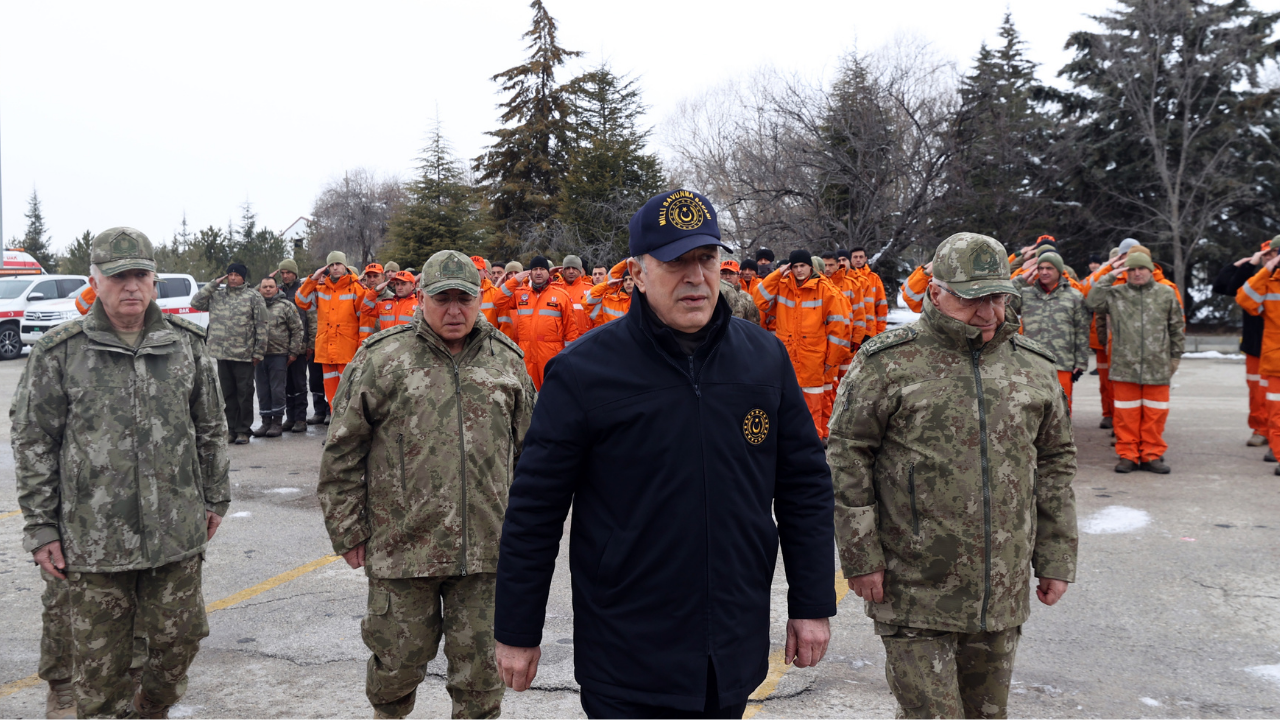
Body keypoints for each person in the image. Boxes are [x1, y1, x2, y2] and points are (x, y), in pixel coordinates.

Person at [494, 188, 835, 719]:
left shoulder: (763, 359)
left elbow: (805, 487)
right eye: (675, 262)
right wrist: (517, 630)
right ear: (637, 272)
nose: (695, 276)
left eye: (706, 258)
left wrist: (811, 603)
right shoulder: (585, 373)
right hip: (628, 654)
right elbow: (534, 511)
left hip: (731, 649)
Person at [829, 232, 1077, 720]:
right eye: (971, 298)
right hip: (913, 587)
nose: (987, 313)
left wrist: (1056, 555)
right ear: (935, 290)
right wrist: (861, 557)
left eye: (997, 297)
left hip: (999, 591)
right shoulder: (888, 363)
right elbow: (847, 457)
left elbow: (1055, 462)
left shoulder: (1033, 367)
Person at [12, 227, 230, 718]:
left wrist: (215, 499)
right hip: (94, 541)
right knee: (100, 668)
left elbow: (211, 428)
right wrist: (42, 526)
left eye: (140, 275)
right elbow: (34, 442)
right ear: (95, 281)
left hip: (175, 532)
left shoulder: (186, 346)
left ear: (153, 281)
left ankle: (152, 705)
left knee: (179, 644)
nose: (130, 286)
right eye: (118, 277)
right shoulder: (60, 352)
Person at [319, 250, 535, 719]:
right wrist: (347, 529)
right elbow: (342, 450)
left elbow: (531, 455)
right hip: (402, 549)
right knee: (396, 669)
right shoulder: (381, 358)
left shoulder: (507, 360)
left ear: (481, 298)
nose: (454, 311)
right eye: (443, 299)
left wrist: (527, 536)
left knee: (480, 680)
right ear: (421, 298)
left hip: (485, 552)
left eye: (465, 299)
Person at [1087, 252, 1185, 473]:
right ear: (1125, 272)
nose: (1137, 273)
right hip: (1124, 366)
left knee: (1155, 414)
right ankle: (1128, 455)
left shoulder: (1166, 294)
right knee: (1125, 415)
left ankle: (1152, 455)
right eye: (1131, 269)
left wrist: (1175, 358)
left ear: (1151, 270)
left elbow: (1177, 328)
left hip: (1157, 366)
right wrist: (1110, 275)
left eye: (1141, 268)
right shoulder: (1116, 294)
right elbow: (1092, 301)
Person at [753, 250, 853, 442]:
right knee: (787, 405)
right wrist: (777, 273)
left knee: (811, 409)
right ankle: (791, 447)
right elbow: (759, 298)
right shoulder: (783, 286)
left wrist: (830, 361)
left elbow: (838, 329)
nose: (799, 270)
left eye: (802, 266)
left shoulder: (825, 290)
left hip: (812, 359)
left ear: (810, 267)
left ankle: (811, 449)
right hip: (787, 357)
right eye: (795, 266)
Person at [191, 262, 268, 444]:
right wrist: (213, 284)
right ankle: (231, 429)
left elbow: (262, 326)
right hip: (222, 353)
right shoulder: (217, 295)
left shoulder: (253, 297)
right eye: (230, 274)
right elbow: (195, 302)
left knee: (245, 394)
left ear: (243, 277)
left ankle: (243, 430)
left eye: (237, 275)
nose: (233, 278)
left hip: (244, 353)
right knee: (226, 395)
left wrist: (259, 351)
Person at [1216, 238, 1276, 448]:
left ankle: (1273, 432)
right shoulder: (1253, 278)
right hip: (1255, 345)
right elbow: (1224, 286)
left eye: (1275, 253)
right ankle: (1260, 429)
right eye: (1266, 254)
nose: (1272, 257)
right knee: (1257, 392)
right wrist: (1245, 264)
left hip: (1275, 346)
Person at [495, 255, 581, 389]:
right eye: (535, 269)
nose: (538, 272)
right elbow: (498, 301)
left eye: (542, 269)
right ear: (530, 273)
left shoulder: (560, 295)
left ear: (548, 272)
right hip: (526, 354)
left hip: (551, 354)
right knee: (529, 393)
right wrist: (515, 280)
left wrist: (570, 357)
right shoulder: (521, 294)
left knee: (552, 391)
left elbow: (571, 330)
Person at [1019, 251, 1090, 410]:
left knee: (1061, 409)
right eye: (1041, 268)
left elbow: (1082, 330)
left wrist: (1081, 361)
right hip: (1031, 364)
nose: (1044, 272)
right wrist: (1020, 280)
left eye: (1049, 268)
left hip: (1062, 363)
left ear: (1059, 270)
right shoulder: (1026, 294)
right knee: (1031, 409)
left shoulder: (1074, 296)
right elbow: (1004, 301)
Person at [296, 251, 366, 411]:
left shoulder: (356, 288)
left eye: (338, 264)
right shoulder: (321, 289)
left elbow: (365, 320)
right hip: (327, 351)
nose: (335, 268)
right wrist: (313, 279)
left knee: (349, 394)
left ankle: (349, 432)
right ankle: (336, 431)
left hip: (347, 350)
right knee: (332, 395)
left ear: (345, 266)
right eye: (331, 265)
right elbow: (301, 300)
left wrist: (362, 346)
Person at [1236, 244, 1280, 472]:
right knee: (1276, 412)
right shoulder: (1269, 282)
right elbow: (1244, 298)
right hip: (1276, 362)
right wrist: (1267, 269)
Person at [252, 276, 305, 438]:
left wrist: (294, 352)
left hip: (279, 355)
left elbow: (297, 330)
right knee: (262, 390)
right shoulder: (254, 306)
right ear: (259, 289)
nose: (268, 289)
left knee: (277, 390)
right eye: (264, 287)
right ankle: (265, 422)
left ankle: (277, 422)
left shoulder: (286, 306)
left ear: (277, 289)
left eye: (271, 286)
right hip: (259, 356)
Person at [272, 260, 312, 433]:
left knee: (299, 383)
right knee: (286, 385)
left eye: (288, 272)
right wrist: (268, 278)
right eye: (282, 273)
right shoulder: (278, 291)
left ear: (295, 273)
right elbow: (259, 293)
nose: (285, 275)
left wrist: (310, 343)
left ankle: (301, 419)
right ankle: (290, 417)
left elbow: (311, 319)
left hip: (300, 345)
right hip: (281, 347)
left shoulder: (302, 291)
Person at [849, 247, 888, 338]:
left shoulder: (874, 279)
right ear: (850, 259)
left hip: (870, 331)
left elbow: (882, 307)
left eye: (861, 257)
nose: (858, 259)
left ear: (865, 258)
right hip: (850, 331)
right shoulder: (845, 278)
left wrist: (880, 332)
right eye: (855, 257)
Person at [585, 261, 634, 328]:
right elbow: (587, 302)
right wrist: (606, 285)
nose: (628, 282)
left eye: (631, 279)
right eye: (625, 280)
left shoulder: (646, 300)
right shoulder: (611, 301)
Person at [553, 254, 594, 335]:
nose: (571, 271)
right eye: (568, 268)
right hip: (560, 340)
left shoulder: (590, 290)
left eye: (574, 268)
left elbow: (597, 318)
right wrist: (549, 274)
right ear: (563, 271)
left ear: (580, 270)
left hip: (584, 338)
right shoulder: (554, 289)